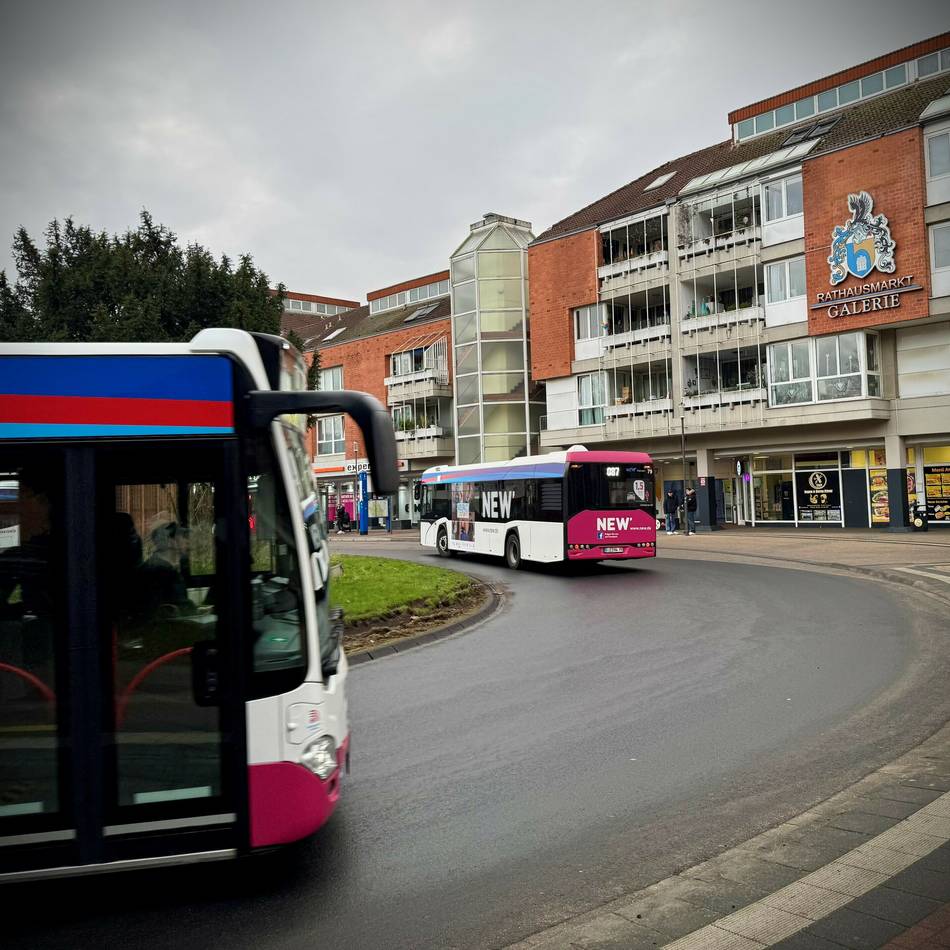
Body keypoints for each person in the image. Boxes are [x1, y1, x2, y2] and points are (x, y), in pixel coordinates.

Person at [136, 515, 195, 618]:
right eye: (183, 537)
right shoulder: (164, 573)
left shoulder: (152, 567)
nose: (188, 542)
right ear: (170, 541)